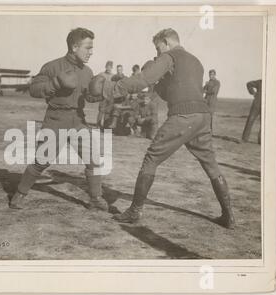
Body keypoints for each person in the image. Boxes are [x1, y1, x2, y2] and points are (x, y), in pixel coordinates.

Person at [89, 28, 235, 229]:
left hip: (183, 115)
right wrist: (159, 84)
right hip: (202, 117)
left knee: (151, 158)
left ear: (166, 42)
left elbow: (141, 80)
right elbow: (174, 93)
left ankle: (134, 211)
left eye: (158, 48)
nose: (158, 54)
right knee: (211, 164)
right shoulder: (196, 61)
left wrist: (110, 89)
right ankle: (229, 216)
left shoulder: (169, 57)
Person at [9, 28, 108, 211]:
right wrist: (55, 83)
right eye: (87, 47)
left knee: (93, 159)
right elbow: (34, 90)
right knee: (42, 161)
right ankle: (20, 194)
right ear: (74, 46)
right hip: (56, 119)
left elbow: (88, 97)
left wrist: (100, 94)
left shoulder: (87, 71)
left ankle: (96, 198)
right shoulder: (52, 66)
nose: (91, 52)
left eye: (92, 48)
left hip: (78, 119)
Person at [242, 79, 262, 144]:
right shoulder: (260, 82)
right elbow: (249, 84)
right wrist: (253, 93)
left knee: (264, 123)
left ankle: (261, 141)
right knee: (250, 120)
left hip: (267, 105)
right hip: (256, 104)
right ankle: (244, 139)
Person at [96, 61, 114, 128]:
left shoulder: (113, 76)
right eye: (107, 66)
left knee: (108, 112)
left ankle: (105, 126)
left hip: (110, 97)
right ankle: (98, 125)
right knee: (101, 111)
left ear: (112, 68)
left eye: (110, 67)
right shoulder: (101, 74)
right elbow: (95, 83)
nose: (108, 68)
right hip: (102, 96)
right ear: (105, 67)